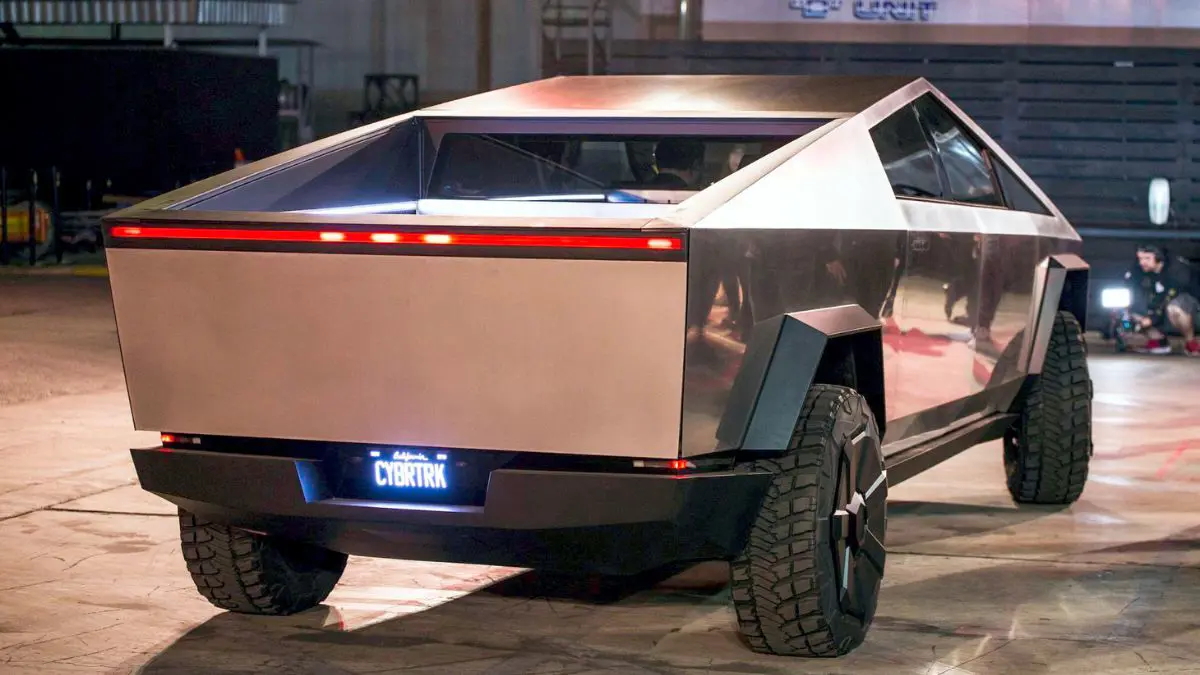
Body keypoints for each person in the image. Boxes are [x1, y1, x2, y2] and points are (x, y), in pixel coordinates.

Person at [1128, 244, 1200, 356]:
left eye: (1147, 258)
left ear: (1159, 257)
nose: (1142, 262)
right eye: (1140, 258)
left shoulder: (1176, 269)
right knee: (1129, 308)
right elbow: (1131, 285)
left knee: (1174, 307)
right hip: (1159, 307)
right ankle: (1159, 342)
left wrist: (1152, 318)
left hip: (1188, 308)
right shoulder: (1140, 269)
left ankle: (1191, 343)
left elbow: (1171, 295)